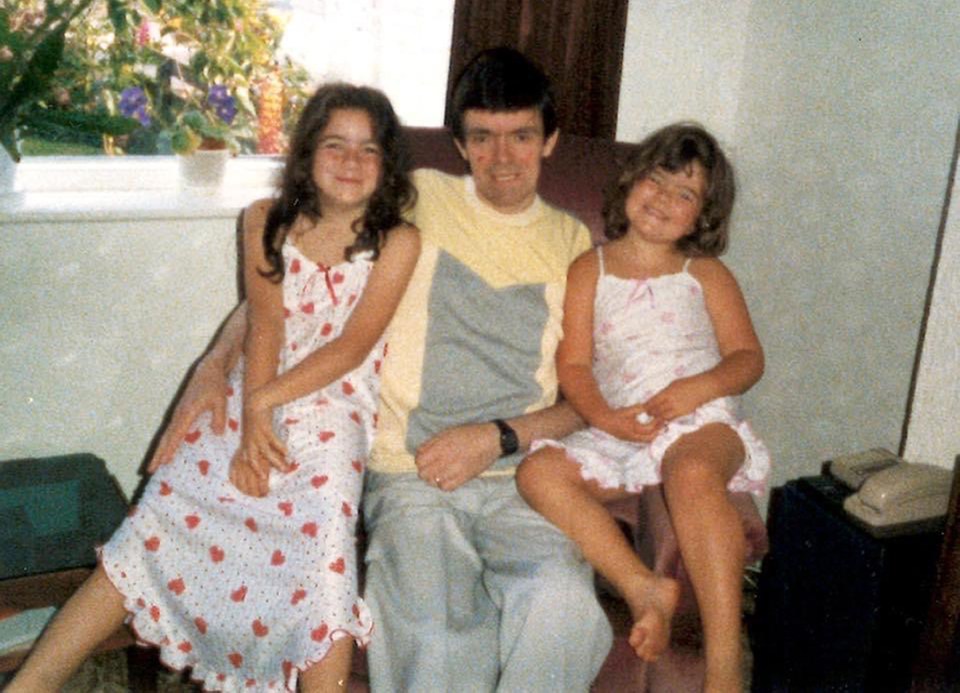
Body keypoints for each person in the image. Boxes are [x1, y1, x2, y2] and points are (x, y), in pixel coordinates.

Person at [141, 47, 614, 691]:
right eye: (482, 137)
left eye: (522, 136)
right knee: (433, 634)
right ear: (460, 143)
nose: (502, 159)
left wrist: (497, 436)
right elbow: (288, 285)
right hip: (409, 472)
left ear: (550, 140)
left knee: (562, 608)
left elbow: (586, 394)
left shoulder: (575, 245)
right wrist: (213, 362)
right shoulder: (408, 200)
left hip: (521, 475)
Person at [6, 83, 420, 693]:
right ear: (306, 154)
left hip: (334, 404)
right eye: (335, 145)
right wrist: (253, 420)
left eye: (368, 150)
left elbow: (351, 347)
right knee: (161, 514)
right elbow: (267, 323)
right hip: (257, 376)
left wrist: (265, 404)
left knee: (321, 556)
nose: (351, 162)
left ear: (387, 166)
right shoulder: (264, 219)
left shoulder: (397, 241)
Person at [516, 122, 771, 693]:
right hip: (620, 428)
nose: (663, 200)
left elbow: (747, 359)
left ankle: (725, 667)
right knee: (538, 472)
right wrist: (604, 418)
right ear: (630, 182)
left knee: (692, 471)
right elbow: (575, 366)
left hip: (701, 422)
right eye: (656, 181)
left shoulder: (704, 274)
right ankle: (642, 587)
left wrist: (696, 390)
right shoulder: (590, 270)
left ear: (702, 217)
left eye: (685, 194)